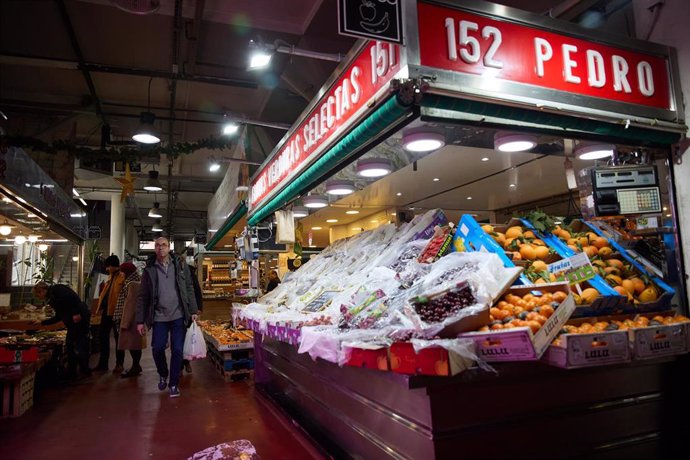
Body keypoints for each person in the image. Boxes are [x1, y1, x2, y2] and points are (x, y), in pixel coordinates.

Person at [136, 237, 198, 398]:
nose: (160, 248)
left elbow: (189, 288)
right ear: (154, 249)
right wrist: (140, 321)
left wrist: (193, 310)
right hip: (158, 317)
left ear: (169, 248)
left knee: (177, 350)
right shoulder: (150, 269)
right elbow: (142, 297)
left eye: (163, 245)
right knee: (157, 348)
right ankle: (163, 373)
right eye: (157, 246)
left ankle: (173, 383)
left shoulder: (179, 266)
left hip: (178, 315)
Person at [33, 282, 91, 379]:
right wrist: (42, 322)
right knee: (72, 344)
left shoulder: (57, 290)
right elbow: (59, 315)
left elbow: (73, 298)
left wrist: (76, 313)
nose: (38, 298)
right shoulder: (53, 296)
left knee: (76, 344)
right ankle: (76, 371)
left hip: (78, 321)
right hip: (74, 322)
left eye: (38, 294)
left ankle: (80, 371)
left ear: (42, 290)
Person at [93, 255, 126, 373]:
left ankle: (119, 364)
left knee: (119, 339)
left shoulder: (123, 277)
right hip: (107, 313)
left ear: (113, 266)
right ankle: (103, 364)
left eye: (108, 266)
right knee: (103, 338)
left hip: (117, 313)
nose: (107, 269)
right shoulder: (110, 277)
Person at [113, 262, 145, 378]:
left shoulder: (132, 284)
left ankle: (135, 366)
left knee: (133, 344)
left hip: (131, 319)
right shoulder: (134, 282)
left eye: (122, 272)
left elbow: (130, 304)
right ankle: (136, 366)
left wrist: (124, 321)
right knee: (133, 344)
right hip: (133, 318)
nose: (121, 274)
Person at [182, 264, 203, 374]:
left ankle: (186, 362)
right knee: (179, 340)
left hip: (189, 311)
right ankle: (181, 365)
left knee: (187, 338)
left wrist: (198, 308)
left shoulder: (190, 274)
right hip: (178, 312)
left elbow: (196, 291)